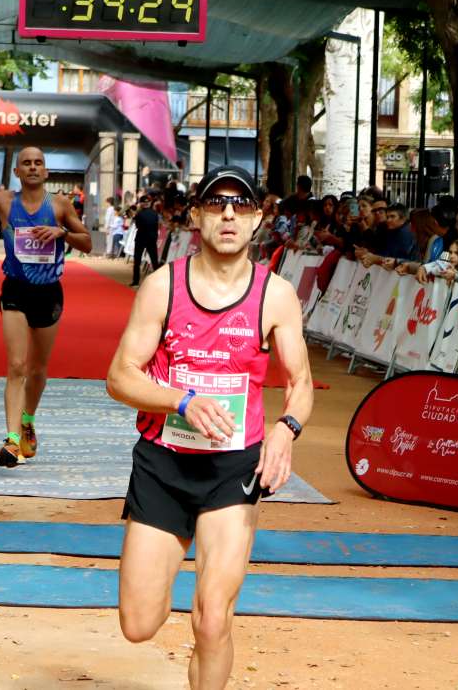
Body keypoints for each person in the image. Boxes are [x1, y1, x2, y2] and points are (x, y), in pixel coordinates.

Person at [106, 165, 313, 690]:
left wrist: (286, 429)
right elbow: (119, 376)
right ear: (196, 215)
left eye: (240, 206)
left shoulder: (276, 295)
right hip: (163, 464)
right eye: (216, 204)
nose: (228, 214)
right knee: (138, 623)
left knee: (213, 617)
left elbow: (302, 382)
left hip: (232, 468)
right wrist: (181, 400)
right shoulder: (162, 287)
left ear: (257, 220)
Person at [0, 144, 92, 467]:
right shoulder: (3, 201)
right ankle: (12, 440)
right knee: (16, 366)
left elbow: (87, 241)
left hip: (49, 292)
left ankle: (27, 419)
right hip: (15, 289)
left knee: (38, 369)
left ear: (46, 171)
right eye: (25, 163)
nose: (32, 167)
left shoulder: (59, 204)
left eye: (38, 163)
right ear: (16, 172)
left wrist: (62, 232)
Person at [131, 193, 160, 286]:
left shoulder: (139, 214)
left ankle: (136, 281)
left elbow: (137, 226)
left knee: (137, 261)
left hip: (141, 238)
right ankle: (158, 281)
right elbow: (157, 226)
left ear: (142, 203)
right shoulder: (155, 214)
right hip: (152, 238)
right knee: (154, 261)